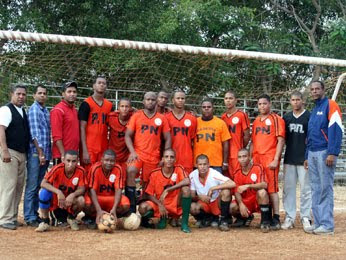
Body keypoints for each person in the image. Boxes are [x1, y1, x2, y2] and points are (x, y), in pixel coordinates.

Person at [304, 81, 343, 235]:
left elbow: (336, 129)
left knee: (325, 189)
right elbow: (310, 134)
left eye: (317, 89)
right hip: (312, 153)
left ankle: (327, 225)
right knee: (315, 188)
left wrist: (332, 152)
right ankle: (318, 222)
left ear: (323, 90)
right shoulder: (314, 110)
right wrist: (307, 155)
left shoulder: (331, 105)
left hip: (325, 152)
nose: (314, 92)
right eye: (312, 89)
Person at [125, 92, 171, 212]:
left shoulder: (162, 118)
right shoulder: (136, 116)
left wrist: (164, 158)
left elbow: (168, 138)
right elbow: (127, 135)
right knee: (130, 171)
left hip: (154, 157)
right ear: (143, 101)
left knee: (148, 186)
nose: (150, 102)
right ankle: (130, 207)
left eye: (152, 100)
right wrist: (132, 152)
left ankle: (144, 211)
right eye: (148, 99)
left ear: (156, 102)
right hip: (138, 154)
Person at [250, 94, 285, 230]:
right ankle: (267, 216)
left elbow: (280, 140)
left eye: (264, 103)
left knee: (272, 189)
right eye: (259, 104)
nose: (262, 106)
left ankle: (276, 217)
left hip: (269, 157)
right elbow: (253, 141)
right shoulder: (257, 121)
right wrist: (252, 157)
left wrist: (276, 159)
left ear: (269, 104)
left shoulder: (276, 119)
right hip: (257, 159)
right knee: (261, 188)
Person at [138, 148, 191, 233]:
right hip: (161, 202)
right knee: (142, 208)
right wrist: (159, 204)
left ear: (175, 159)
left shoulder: (179, 168)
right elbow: (148, 193)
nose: (169, 159)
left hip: (175, 202)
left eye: (172, 157)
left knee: (186, 190)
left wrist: (168, 189)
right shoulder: (154, 173)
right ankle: (157, 219)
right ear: (162, 159)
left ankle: (184, 224)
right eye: (166, 157)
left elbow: (187, 181)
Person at [0, 85, 30, 230]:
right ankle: (4, 218)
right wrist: (4, 151)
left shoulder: (23, 111)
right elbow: (1, 130)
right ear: (12, 94)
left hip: (21, 153)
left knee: (18, 186)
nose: (21, 97)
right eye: (18, 94)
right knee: (8, 185)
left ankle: (12, 216)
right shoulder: (6, 110)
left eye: (23, 94)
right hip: (10, 152)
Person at [281, 91, 312, 231]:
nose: (295, 102)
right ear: (290, 101)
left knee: (306, 189)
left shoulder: (309, 116)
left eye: (298, 99)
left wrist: (308, 156)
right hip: (289, 158)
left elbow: (311, 138)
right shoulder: (286, 117)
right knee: (288, 189)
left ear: (302, 101)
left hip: (304, 159)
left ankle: (305, 216)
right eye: (293, 100)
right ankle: (290, 217)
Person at [35, 150, 85, 232]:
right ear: (63, 160)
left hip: (70, 202)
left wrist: (73, 195)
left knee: (81, 200)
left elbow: (82, 189)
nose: (70, 164)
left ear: (77, 161)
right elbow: (43, 183)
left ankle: (71, 218)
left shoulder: (81, 171)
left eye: (74, 161)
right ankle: (45, 221)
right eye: (68, 161)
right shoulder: (57, 168)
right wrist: (59, 192)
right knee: (43, 193)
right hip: (57, 200)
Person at [24, 85, 51, 227]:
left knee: (38, 184)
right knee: (32, 186)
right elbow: (34, 134)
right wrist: (40, 153)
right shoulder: (34, 110)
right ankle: (29, 216)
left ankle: (34, 214)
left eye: (44, 93)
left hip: (45, 154)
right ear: (34, 95)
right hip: (37, 153)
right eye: (39, 93)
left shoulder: (45, 110)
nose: (42, 95)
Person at [84, 149, 130, 228]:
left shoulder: (118, 169)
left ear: (115, 161)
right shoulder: (95, 168)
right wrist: (98, 209)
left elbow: (118, 190)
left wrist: (114, 208)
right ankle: (92, 218)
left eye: (112, 161)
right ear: (102, 160)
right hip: (98, 197)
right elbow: (92, 190)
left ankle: (112, 217)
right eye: (106, 160)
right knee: (86, 203)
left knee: (126, 203)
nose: (109, 163)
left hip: (111, 198)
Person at [190, 154, 235, 231]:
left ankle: (224, 221)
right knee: (192, 207)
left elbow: (232, 183)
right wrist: (200, 196)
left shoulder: (214, 173)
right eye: (200, 164)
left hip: (216, 202)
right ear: (196, 165)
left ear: (208, 165)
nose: (202, 167)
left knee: (226, 192)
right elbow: (192, 195)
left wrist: (213, 188)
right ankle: (207, 219)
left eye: (205, 164)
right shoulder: (192, 175)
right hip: (204, 202)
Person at [230, 149, 271, 233]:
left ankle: (265, 222)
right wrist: (241, 204)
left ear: (249, 157)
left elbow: (264, 185)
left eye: (244, 156)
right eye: (240, 157)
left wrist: (248, 186)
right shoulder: (237, 173)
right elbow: (237, 192)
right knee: (231, 207)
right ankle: (244, 218)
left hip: (256, 199)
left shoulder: (258, 167)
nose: (242, 159)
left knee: (262, 192)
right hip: (246, 201)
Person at [79, 76, 113, 172]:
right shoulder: (86, 104)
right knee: (88, 174)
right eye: (99, 83)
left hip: (103, 146)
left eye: (104, 83)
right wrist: (84, 150)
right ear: (94, 86)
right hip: (89, 147)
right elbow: (82, 128)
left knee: (101, 174)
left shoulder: (109, 105)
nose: (102, 85)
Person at [194, 99, 231, 173]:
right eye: (204, 107)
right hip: (199, 163)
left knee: (216, 184)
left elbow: (225, 143)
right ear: (201, 109)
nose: (206, 109)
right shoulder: (195, 122)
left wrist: (225, 162)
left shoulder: (220, 123)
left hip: (216, 163)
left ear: (213, 108)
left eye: (209, 107)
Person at [165, 90, 197, 174]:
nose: (180, 100)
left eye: (182, 98)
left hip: (186, 158)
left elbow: (193, 141)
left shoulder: (192, 118)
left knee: (186, 184)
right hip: (170, 158)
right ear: (173, 100)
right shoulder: (166, 117)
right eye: (178, 98)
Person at [221, 90, 250, 178]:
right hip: (225, 155)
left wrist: (240, 147)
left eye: (230, 98)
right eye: (226, 98)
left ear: (235, 100)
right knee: (227, 180)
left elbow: (247, 136)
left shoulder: (241, 115)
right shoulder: (223, 117)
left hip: (236, 154)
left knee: (238, 179)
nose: (228, 100)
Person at [51, 81, 79, 165]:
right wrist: (63, 154)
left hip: (73, 155)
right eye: (69, 91)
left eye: (74, 92)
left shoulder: (74, 110)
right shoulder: (58, 110)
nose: (72, 94)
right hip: (62, 156)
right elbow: (56, 136)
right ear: (63, 94)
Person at [108, 98, 132, 186]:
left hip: (125, 156)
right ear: (118, 108)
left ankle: (127, 197)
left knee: (124, 179)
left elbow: (141, 112)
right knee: (111, 179)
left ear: (130, 108)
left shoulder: (133, 118)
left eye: (127, 106)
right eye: (122, 106)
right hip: (113, 155)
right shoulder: (111, 118)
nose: (124, 109)